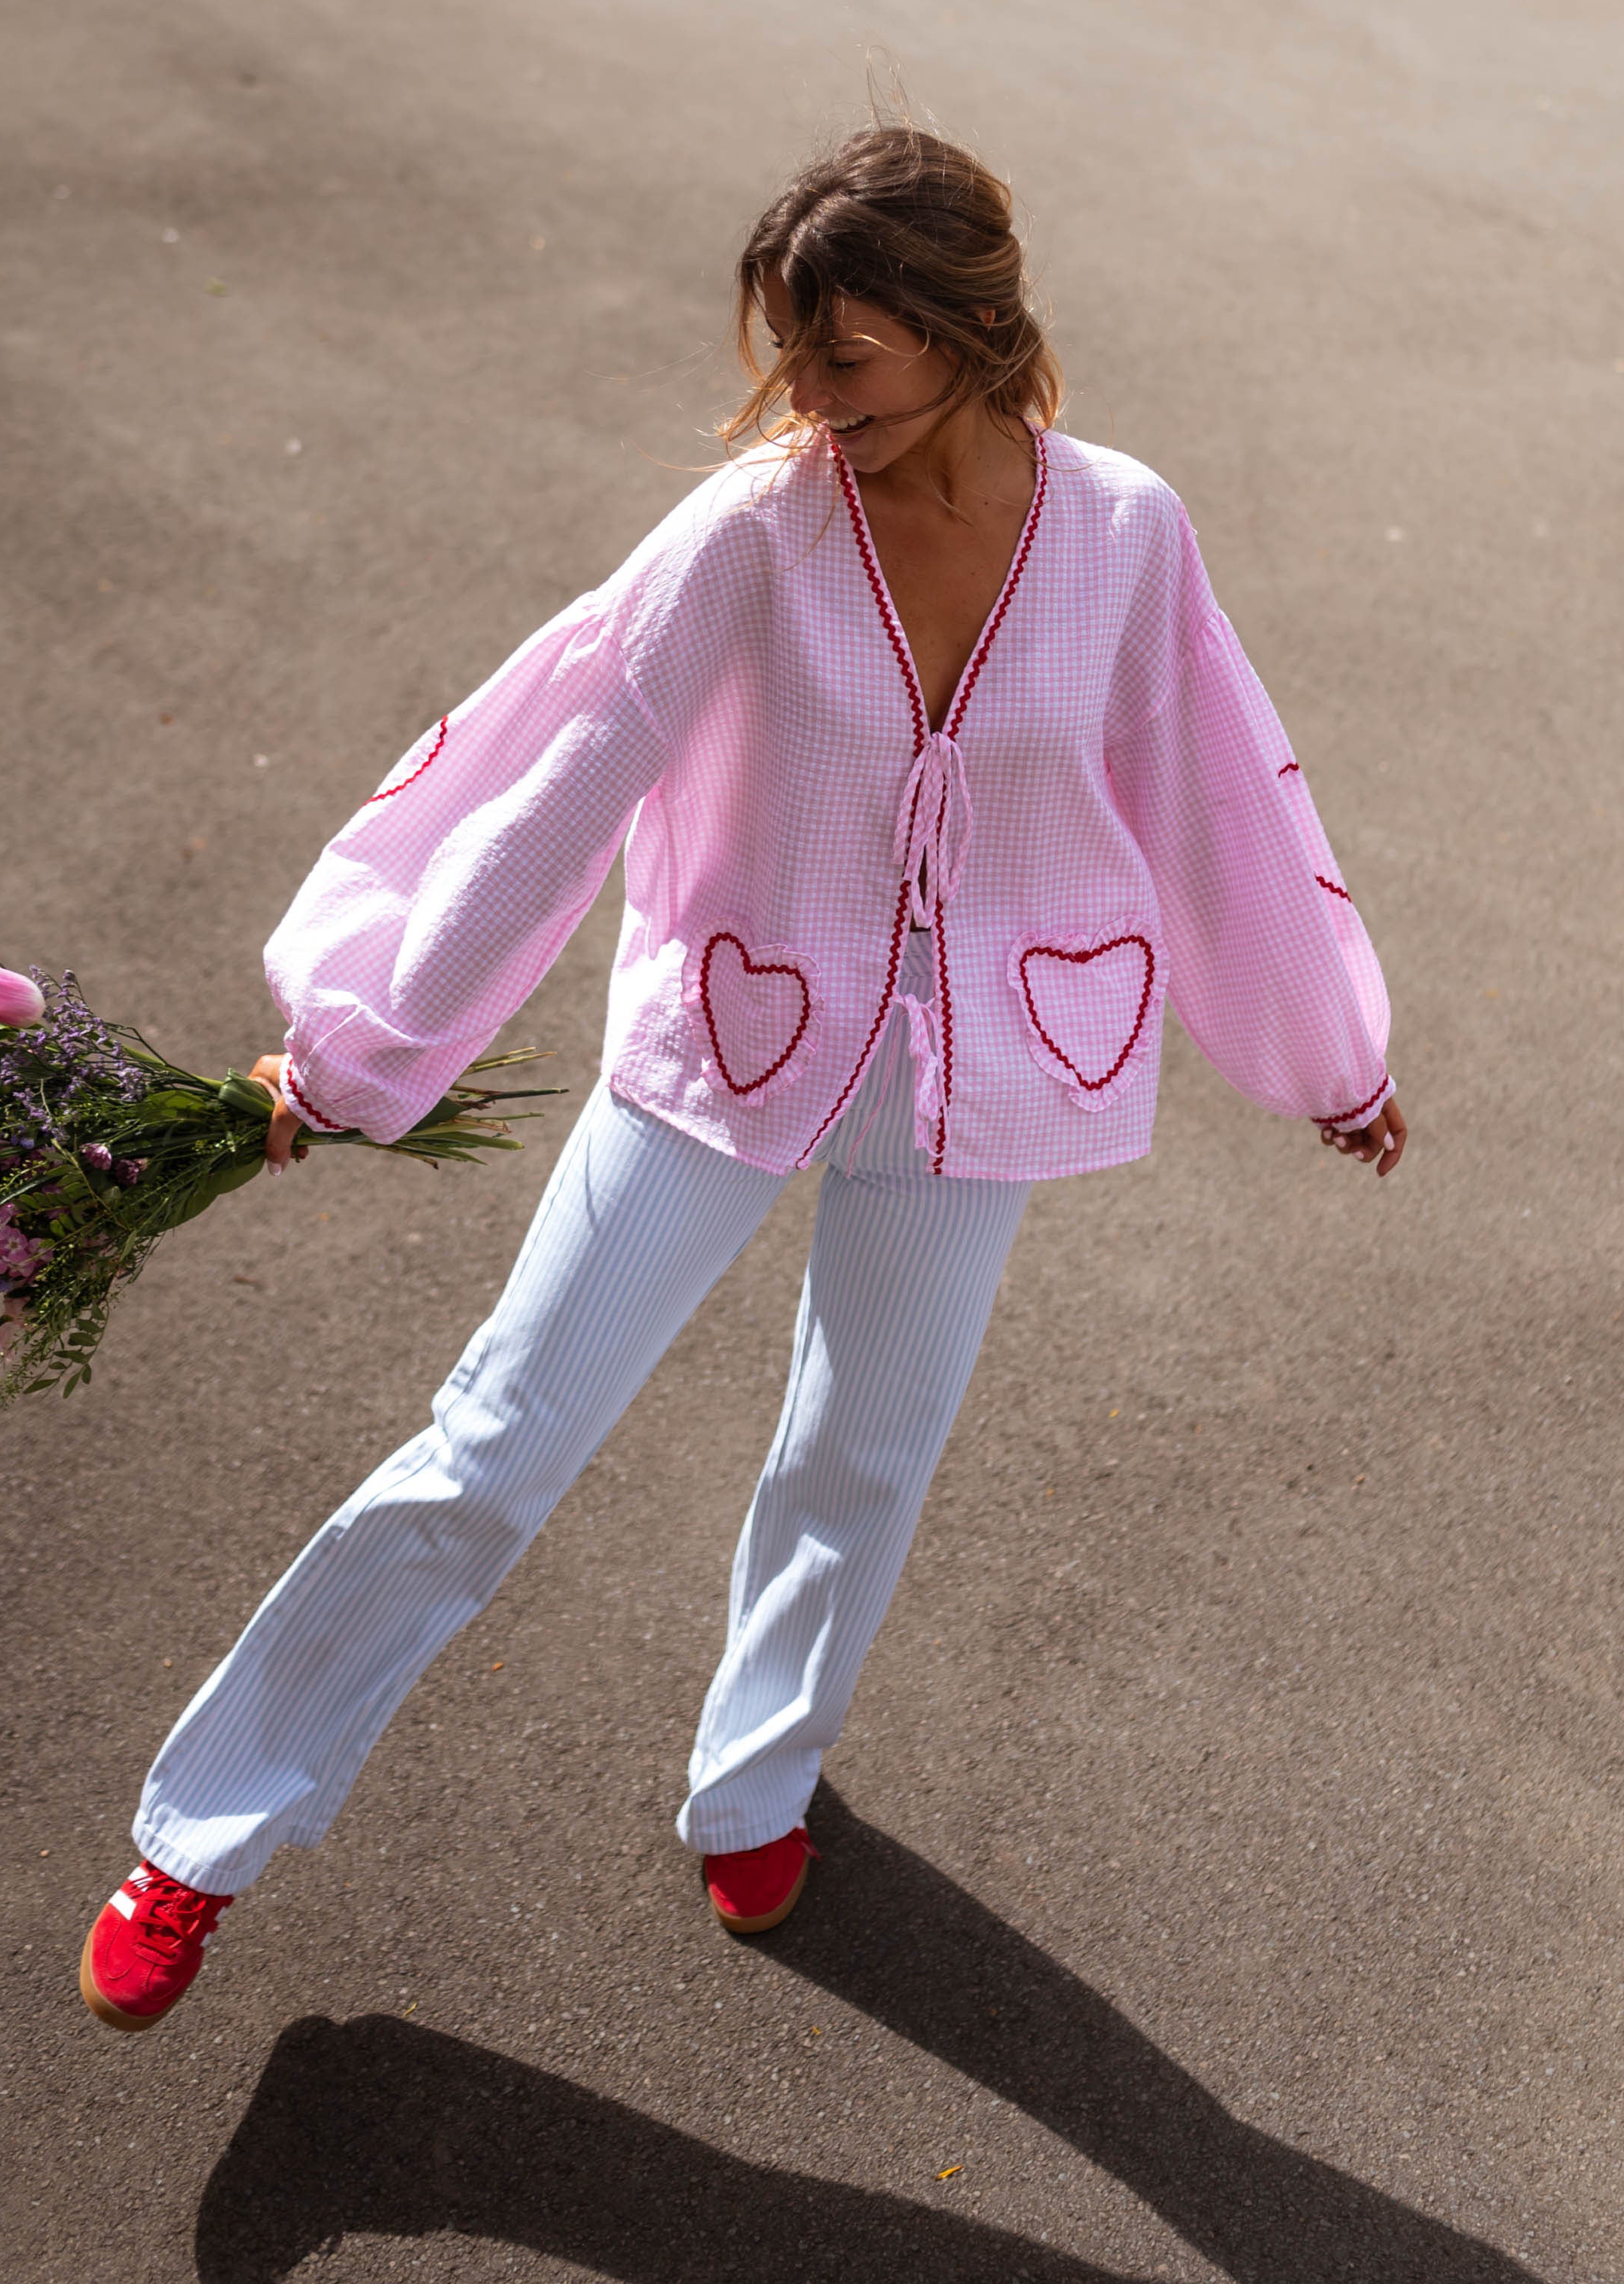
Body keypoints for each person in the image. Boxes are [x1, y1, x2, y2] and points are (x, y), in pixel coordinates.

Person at [79, 124, 1405, 2032]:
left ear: (967, 327)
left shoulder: (1124, 529)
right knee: (494, 1446)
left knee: (865, 1451)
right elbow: (552, 786)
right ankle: (200, 1840)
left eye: (845, 359)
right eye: (792, 355)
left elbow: (1219, 793)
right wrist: (365, 1055)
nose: (809, 400)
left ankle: (758, 1777)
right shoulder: (754, 537)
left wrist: (1328, 1060)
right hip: (731, 1032)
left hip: (989, 1070)